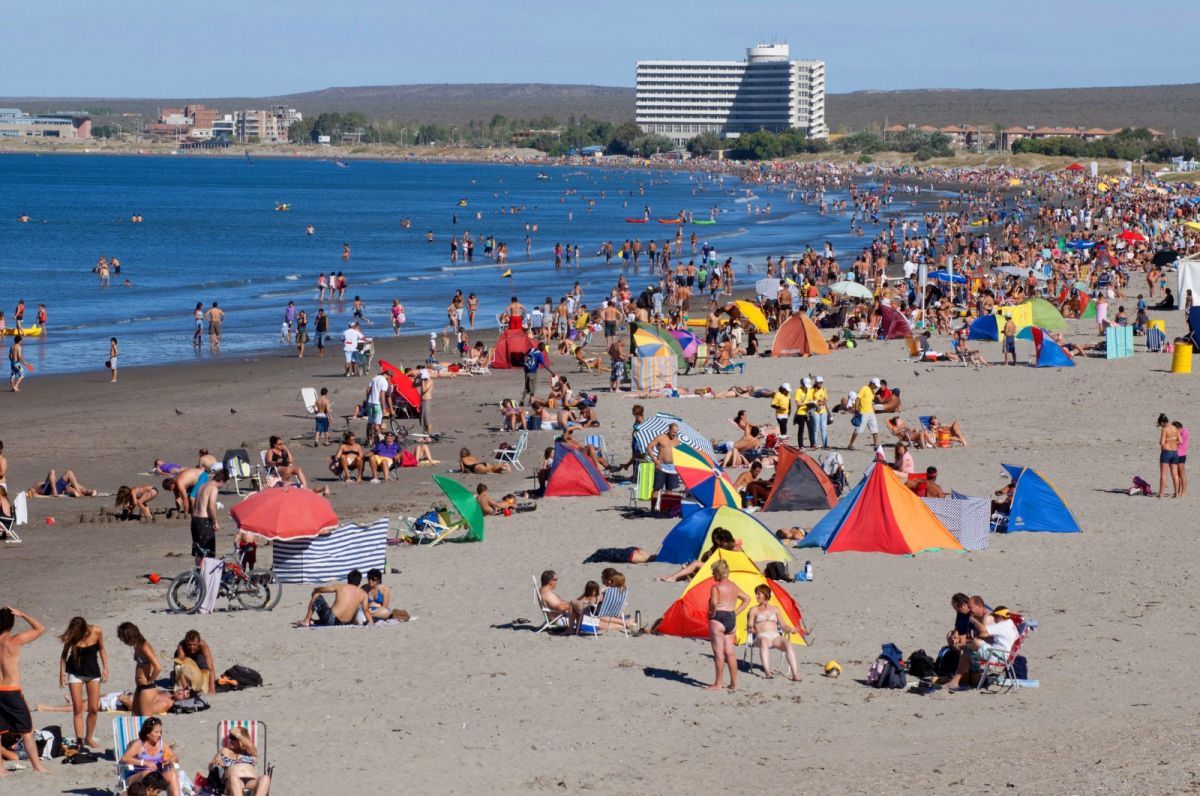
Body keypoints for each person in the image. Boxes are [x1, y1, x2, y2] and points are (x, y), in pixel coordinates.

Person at [0, 606, 47, 776]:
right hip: (12, 691)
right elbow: (40, 628)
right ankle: (37, 766)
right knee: (27, 730)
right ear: (11, 623)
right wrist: (22, 614)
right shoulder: (14, 640)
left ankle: (0, 770)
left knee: (1, 730)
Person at [706, 559, 750, 691]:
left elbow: (714, 603)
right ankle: (734, 683)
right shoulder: (734, 586)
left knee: (719, 653)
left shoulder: (716, 587)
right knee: (730, 653)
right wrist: (735, 613)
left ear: (718, 573)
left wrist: (712, 614)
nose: (713, 575)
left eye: (713, 572)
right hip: (731, 618)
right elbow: (747, 599)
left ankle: (718, 684)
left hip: (719, 617)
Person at [746, 584, 802, 681]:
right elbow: (750, 624)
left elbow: (783, 625)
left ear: (765, 594)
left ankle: (795, 674)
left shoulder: (775, 609)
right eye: (756, 594)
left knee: (788, 643)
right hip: (761, 636)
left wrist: (790, 629)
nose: (756, 596)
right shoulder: (753, 610)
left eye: (758, 594)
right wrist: (750, 628)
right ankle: (768, 672)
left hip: (775, 636)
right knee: (763, 641)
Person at [119, 717, 181, 796]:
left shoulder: (161, 744)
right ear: (148, 734)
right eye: (156, 732)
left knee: (172, 774)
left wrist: (169, 760)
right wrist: (145, 763)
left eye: (160, 732)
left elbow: (175, 757)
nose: (159, 735)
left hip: (156, 777)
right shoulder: (139, 744)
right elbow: (124, 758)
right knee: (147, 773)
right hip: (136, 778)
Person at [209, 723, 271, 796]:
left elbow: (249, 745)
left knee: (265, 778)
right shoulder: (224, 751)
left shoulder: (249, 751)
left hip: (251, 782)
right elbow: (211, 766)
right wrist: (215, 763)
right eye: (229, 737)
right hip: (233, 782)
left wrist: (237, 734)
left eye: (233, 738)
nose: (230, 740)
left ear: (242, 738)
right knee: (233, 778)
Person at [117, 622, 162, 717]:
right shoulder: (137, 645)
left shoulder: (145, 647)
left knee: (146, 723)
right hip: (140, 688)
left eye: (123, 639)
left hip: (147, 689)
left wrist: (150, 681)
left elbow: (158, 667)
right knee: (135, 719)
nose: (123, 642)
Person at [298, 570, 373, 627]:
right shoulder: (363, 594)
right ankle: (314, 622)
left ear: (348, 580)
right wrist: (371, 623)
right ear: (359, 582)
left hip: (331, 619)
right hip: (343, 623)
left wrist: (316, 590)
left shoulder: (340, 587)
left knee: (316, 596)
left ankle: (306, 621)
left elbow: (324, 589)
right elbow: (366, 610)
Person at [191, 470, 227, 559]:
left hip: (195, 520)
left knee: (199, 551)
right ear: (221, 481)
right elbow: (211, 507)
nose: (222, 486)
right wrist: (215, 521)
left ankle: (198, 571)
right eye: (223, 484)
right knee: (208, 552)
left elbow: (196, 503)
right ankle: (205, 572)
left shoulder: (201, 486)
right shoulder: (213, 488)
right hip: (204, 521)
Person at [173, 630, 215, 695]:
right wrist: (185, 687)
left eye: (194, 645)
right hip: (185, 657)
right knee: (179, 672)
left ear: (199, 642)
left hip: (197, 656)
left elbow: (210, 667)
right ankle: (174, 676)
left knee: (204, 670)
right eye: (189, 645)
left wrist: (212, 686)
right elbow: (179, 668)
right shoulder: (181, 646)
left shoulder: (203, 646)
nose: (192, 647)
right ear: (186, 642)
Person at [846, 378, 879, 451]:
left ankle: (876, 446)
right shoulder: (864, 388)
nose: (876, 387)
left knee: (875, 429)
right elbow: (858, 398)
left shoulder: (873, 391)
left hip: (871, 413)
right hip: (863, 412)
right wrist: (857, 409)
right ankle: (850, 444)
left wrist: (874, 411)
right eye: (876, 385)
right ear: (872, 383)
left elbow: (871, 402)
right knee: (858, 430)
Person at [521, 342, 555, 406]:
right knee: (532, 388)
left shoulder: (531, 349)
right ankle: (531, 402)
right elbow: (544, 365)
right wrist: (551, 372)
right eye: (543, 348)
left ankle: (522, 400)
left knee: (526, 387)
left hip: (527, 371)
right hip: (533, 372)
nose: (543, 349)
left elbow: (525, 355)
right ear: (540, 347)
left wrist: (525, 363)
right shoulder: (539, 354)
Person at [1158, 413, 1181, 499]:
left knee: (1163, 474)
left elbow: (1162, 442)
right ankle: (1177, 494)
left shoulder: (1164, 429)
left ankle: (1161, 494)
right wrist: (1173, 441)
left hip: (1166, 453)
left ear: (1162, 423)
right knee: (1175, 474)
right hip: (1175, 452)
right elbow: (1180, 441)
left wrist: (1164, 442)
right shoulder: (1175, 428)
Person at [31, 468, 97, 497]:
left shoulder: (39, 485)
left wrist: (34, 493)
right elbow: (31, 491)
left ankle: (78, 491)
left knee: (69, 473)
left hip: (57, 489)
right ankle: (85, 491)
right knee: (52, 471)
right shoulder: (39, 486)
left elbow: (31, 491)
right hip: (50, 490)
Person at [1174, 420, 1189, 498]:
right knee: (1177, 474)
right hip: (1175, 453)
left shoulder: (1184, 431)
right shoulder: (1177, 432)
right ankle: (1178, 491)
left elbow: (1181, 441)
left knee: (1182, 473)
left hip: (1182, 454)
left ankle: (1184, 491)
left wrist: (1170, 441)